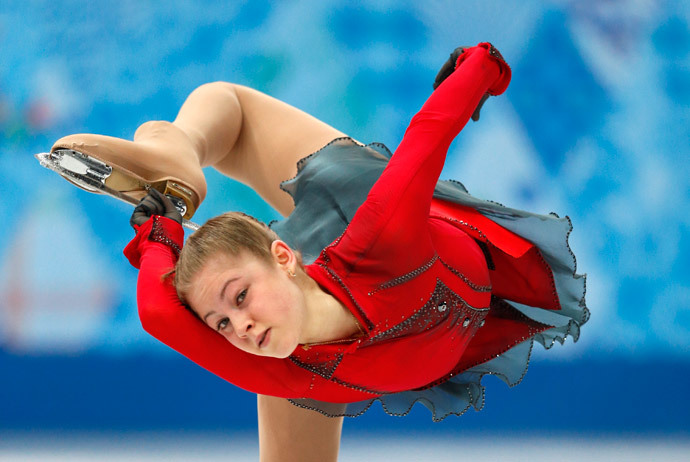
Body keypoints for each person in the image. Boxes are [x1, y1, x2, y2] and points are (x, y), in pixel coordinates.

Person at [50, 43, 588, 461]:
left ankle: (178, 145)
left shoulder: (385, 240)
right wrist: (160, 233)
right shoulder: (266, 359)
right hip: (307, 315)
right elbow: (160, 312)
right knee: (275, 349)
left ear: (283, 257)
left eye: (239, 299)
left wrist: (483, 66)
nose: (238, 329)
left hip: (353, 208)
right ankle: (172, 162)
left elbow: (429, 135)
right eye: (220, 323)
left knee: (232, 109)